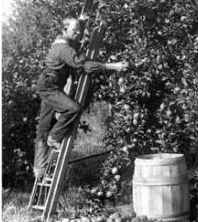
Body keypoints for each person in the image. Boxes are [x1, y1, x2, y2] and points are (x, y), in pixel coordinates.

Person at [33, 16, 129, 179]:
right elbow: (84, 65)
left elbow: (76, 42)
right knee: (73, 109)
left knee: (44, 125)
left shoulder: (64, 42)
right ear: (65, 30)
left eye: (79, 30)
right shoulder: (63, 49)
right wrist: (113, 66)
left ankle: (39, 168)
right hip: (49, 86)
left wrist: (82, 23)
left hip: (51, 85)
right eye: (74, 30)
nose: (78, 33)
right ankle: (53, 139)